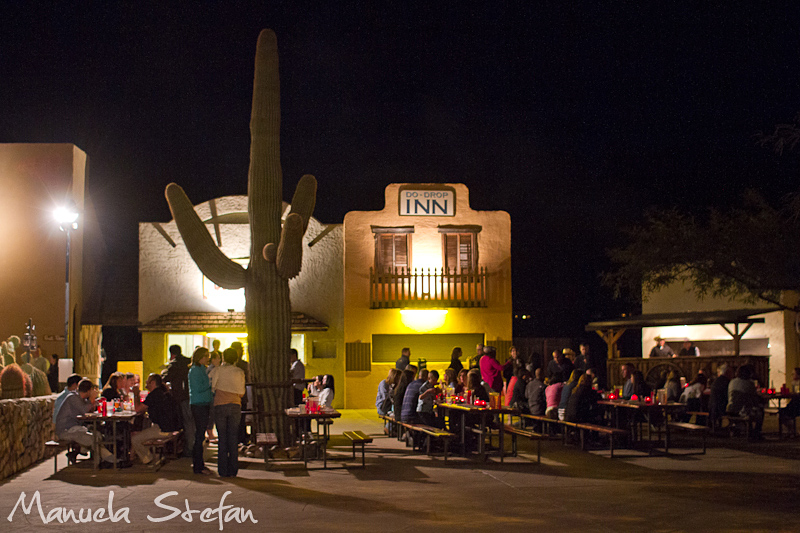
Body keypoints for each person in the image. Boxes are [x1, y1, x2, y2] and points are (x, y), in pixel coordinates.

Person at [56, 378, 115, 465]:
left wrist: (94, 402)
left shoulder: (81, 399)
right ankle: (109, 459)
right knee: (92, 439)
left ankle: (102, 460)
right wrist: (92, 399)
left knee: (97, 434)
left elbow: (87, 411)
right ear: (89, 390)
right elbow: (84, 410)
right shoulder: (73, 398)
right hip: (66, 431)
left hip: (75, 428)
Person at [132, 373, 182, 465]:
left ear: (153, 383)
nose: (146, 383)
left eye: (148, 381)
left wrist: (136, 394)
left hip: (163, 429)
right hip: (171, 427)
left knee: (135, 439)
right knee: (142, 432)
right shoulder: (163, 392)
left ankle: (148, 459)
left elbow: (137, 409)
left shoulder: (154, 394)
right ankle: (149, 457)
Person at [212, 347, 246, 477]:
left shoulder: (218, 370)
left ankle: (222, 469)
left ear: (224, 358)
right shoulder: (239, 372)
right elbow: (242, 392)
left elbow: (213, 387)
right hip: (235, 405)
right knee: (233, 437)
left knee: (222, 438)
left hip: (220, 405)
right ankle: (233, 469)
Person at [162, 344, 194, 456]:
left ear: (172, 353)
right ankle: (192, 447)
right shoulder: (188, 362)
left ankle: (189, 449)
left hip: (181, 396)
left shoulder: (174, 364)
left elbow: (165, 378)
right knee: (191, 423)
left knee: (187, 423)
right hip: (192, 395)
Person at [188, 347, 213, 475]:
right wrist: (210, 383)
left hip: (204, 403)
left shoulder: (202, 369)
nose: (207, 358)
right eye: (206, 356)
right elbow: (198, 387)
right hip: (198, 404)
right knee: (199, 435)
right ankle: (198, 465)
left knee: (201, 434)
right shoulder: (194, 371)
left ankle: (200, 463)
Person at [727, 364, 765, 439]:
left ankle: (739, 429)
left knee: (748, 407)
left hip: (730, 409)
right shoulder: (749, 383)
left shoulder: (732, 382)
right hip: (742, 410)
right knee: (760, 410)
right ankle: (757, 432)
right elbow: (754, 398)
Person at [231, 341, 251, 445]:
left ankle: (240, 436)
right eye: (241, 350)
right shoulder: (242, 365)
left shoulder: (226, 367)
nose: (242, 352)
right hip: (239, 395)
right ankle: (240, 436)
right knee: (240, 417)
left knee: (240, 417)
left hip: (237, 395)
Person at [779, 367, 800, 435]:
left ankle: (792, 430)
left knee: (782, 413)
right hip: (795, 404)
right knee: (782, 413)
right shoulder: (794, 383)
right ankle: (792, 430)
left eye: (793, 374)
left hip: (797, 406)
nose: (792, 375)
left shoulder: (797, 383)